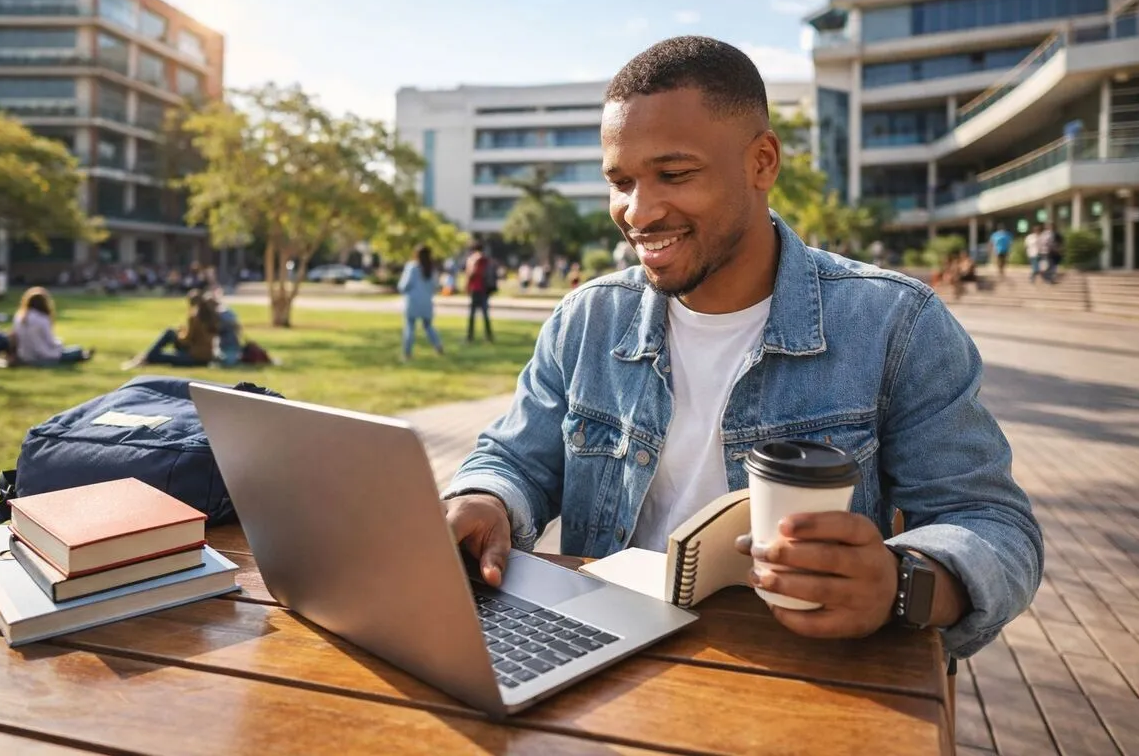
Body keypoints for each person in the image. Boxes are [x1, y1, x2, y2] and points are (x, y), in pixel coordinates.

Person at [440, 37, 1041, 661]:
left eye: (674, 174)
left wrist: (902, 583)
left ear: (762, 162)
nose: (638, 212)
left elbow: (995, 526)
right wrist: (484, 498)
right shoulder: (587, 318)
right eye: (621, 181)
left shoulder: (896, 324)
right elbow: (513, 461)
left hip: (808, 680)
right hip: (599, 660)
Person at [122, 290, 217, 368]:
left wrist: (181, 332)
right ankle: (144, 357)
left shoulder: (194, 317)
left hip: (193, 358)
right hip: (206, 357)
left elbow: (186, 340)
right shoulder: (210, 315)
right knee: (170, 333)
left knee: (158, 353)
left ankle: (143, 358)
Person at [11, 287, 93, 365]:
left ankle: (83, 355)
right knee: (77, 349)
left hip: (24, 355)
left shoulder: (19, 317)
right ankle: (82, 355)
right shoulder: (42, 319)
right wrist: (60, 343)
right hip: (43, 356)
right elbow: (50, 342)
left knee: (69, 350)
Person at [397, 245, 444, 360]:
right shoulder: (431, 269)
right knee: (428, 326)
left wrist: (404, 290)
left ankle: (407, 353)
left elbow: (404, 285)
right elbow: (435, 286)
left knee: (409, 327)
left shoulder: (412, 267)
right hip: (427, 302)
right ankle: (438, 345)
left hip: (413, 301)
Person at [465, 242, 493, 343]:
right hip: (485, 289)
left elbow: (471, 273)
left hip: (476, 289)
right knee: (485, 314)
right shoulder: (486, 260)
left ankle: (470, 336)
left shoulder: (473, 259)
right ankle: (489, 336)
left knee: (472, 315)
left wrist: (467, 286)